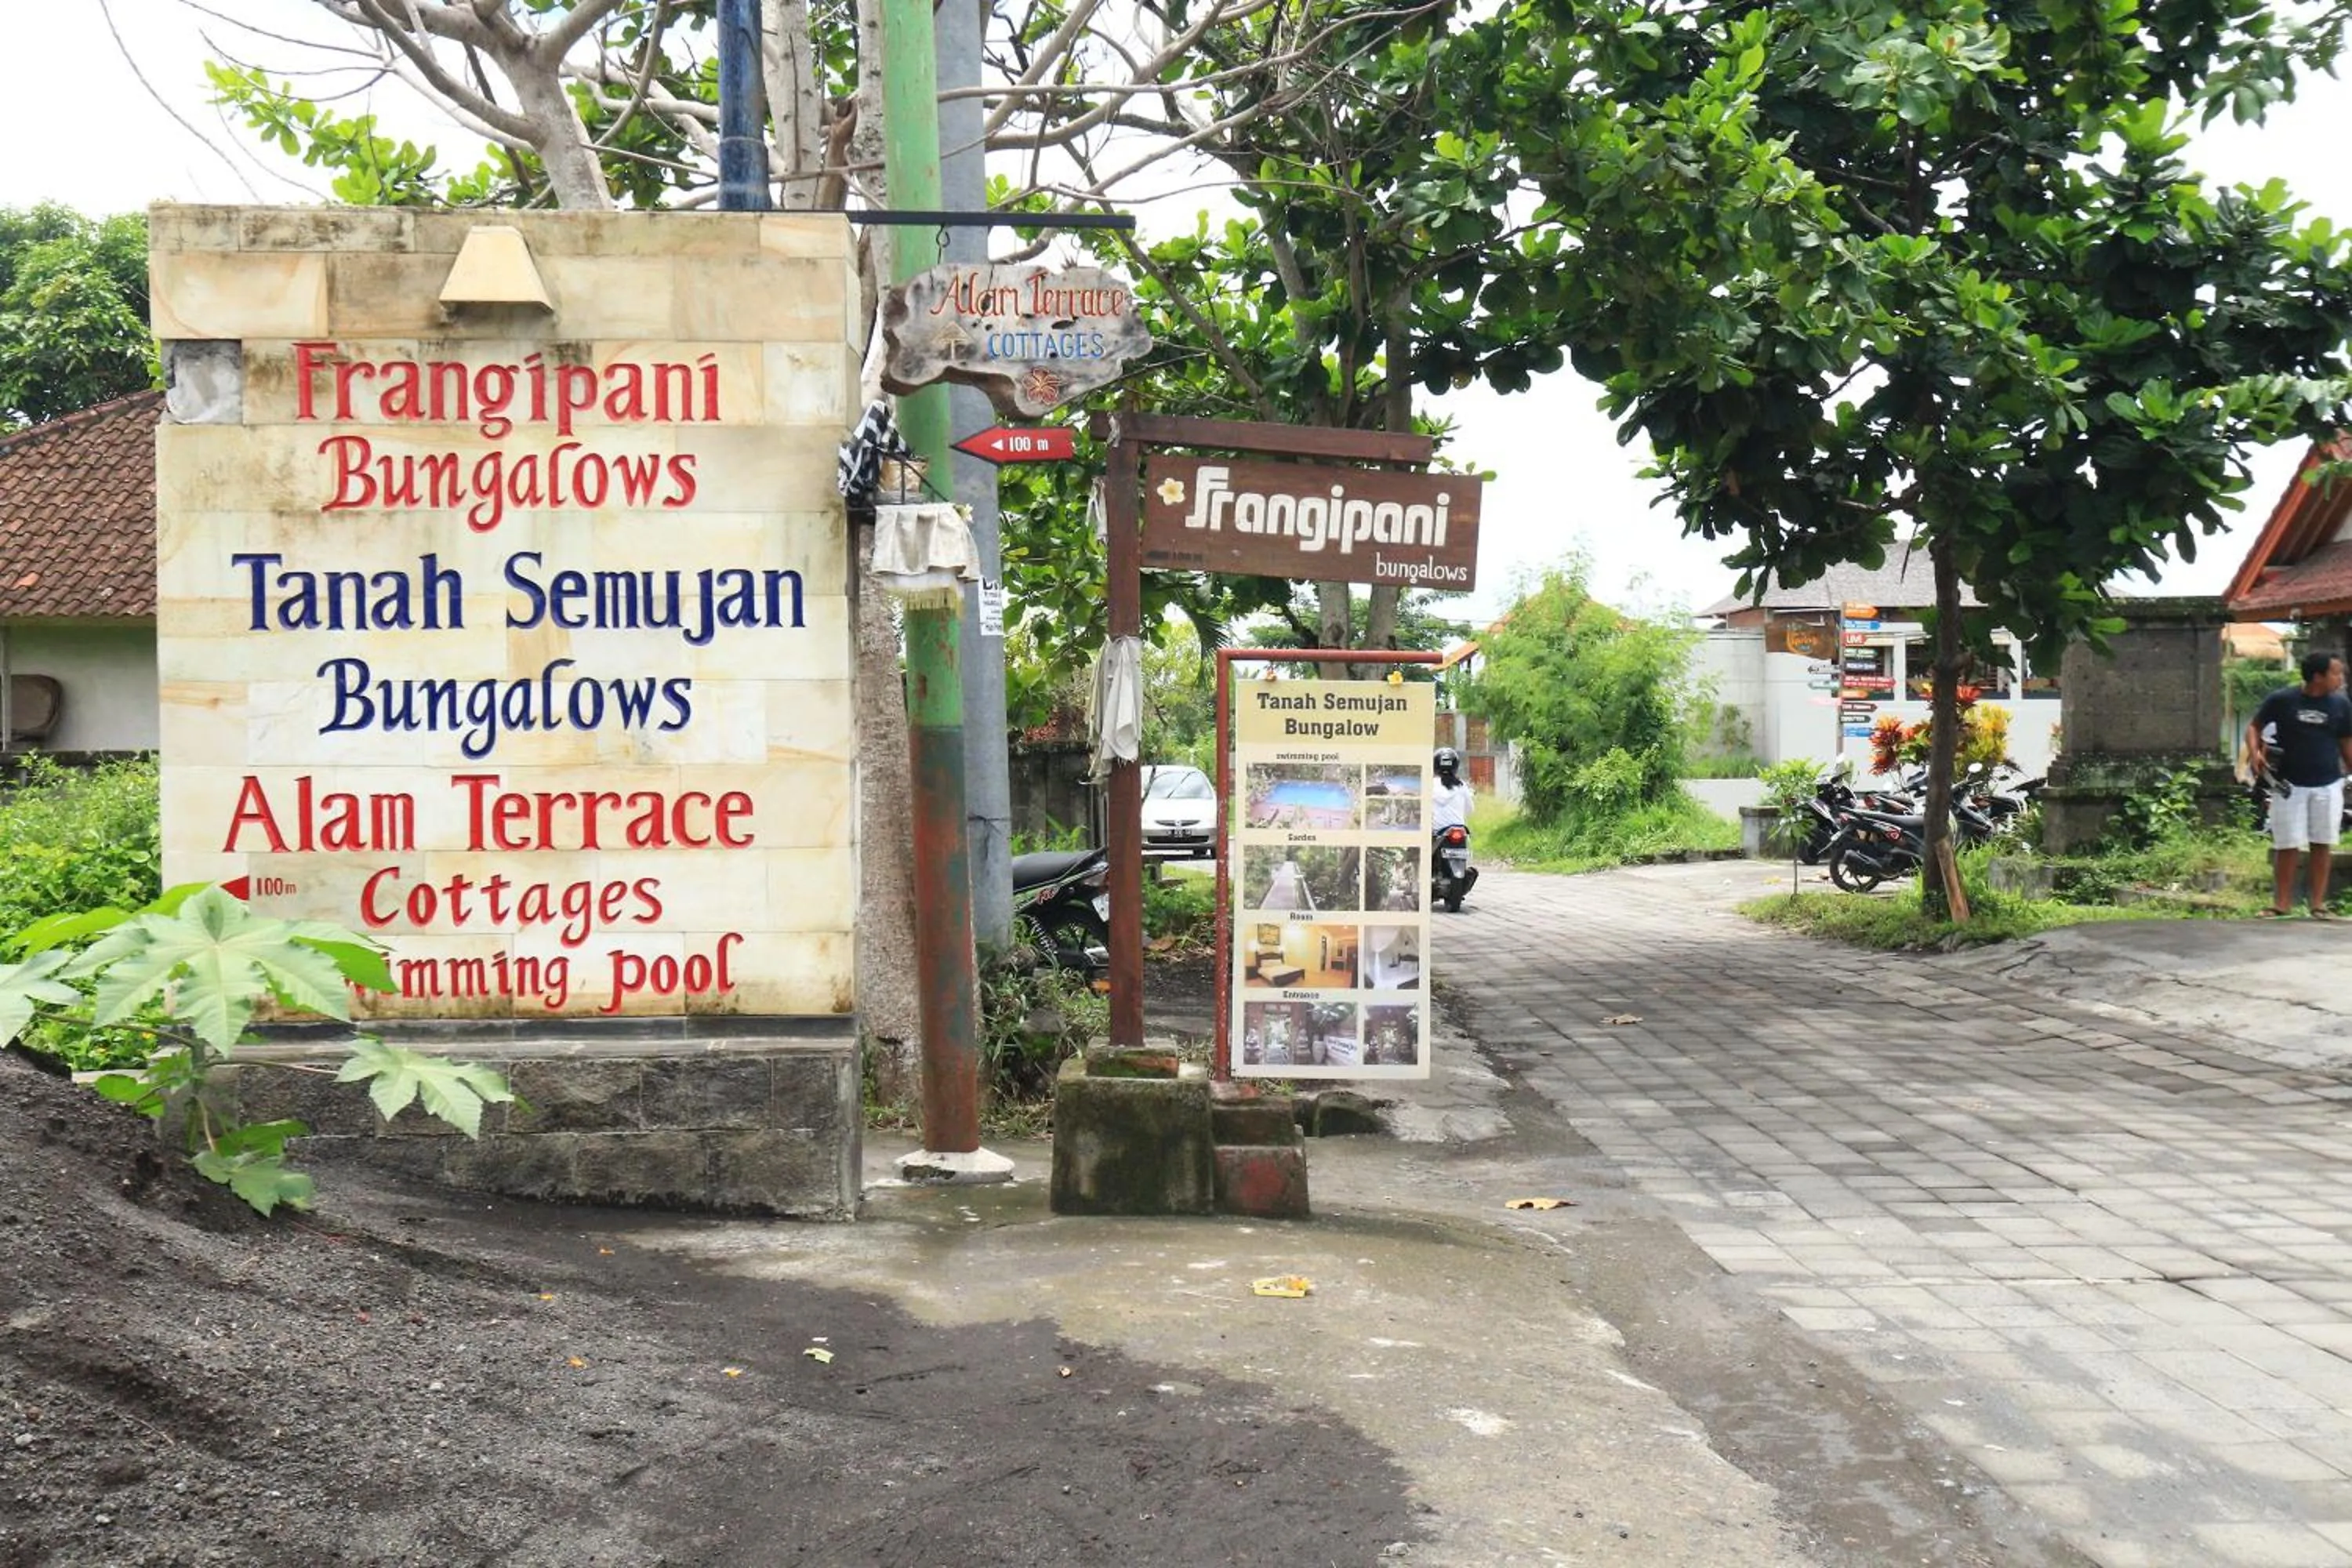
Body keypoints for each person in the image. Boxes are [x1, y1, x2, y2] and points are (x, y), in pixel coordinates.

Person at [2247, 650, 2352, 919]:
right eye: (2336, 673)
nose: (2341, 678)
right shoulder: (2283, 700)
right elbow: (2254, 726)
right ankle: (2281, 904)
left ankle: (2318, 905)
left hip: (2327, 784)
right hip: (2288, 784)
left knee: (2322, 842)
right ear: (2318, 676)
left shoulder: (2341, 705)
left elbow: (2346, 743)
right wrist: (2254, 752)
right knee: (2287, 844)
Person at [1431, 747, 1473, 833]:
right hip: (1460, 829)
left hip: (1437, 831)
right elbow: (1470, 809)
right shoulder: (1461, 785)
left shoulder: (1430, 784)